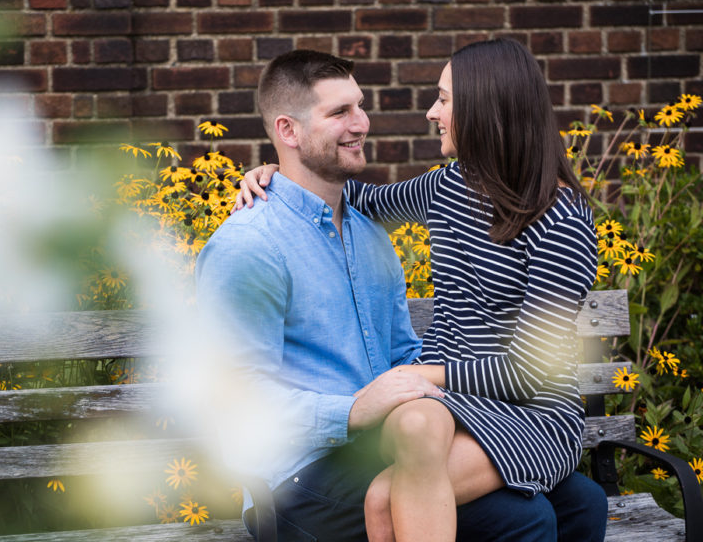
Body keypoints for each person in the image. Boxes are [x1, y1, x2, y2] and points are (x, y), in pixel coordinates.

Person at [233, 40, 608, 541]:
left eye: (445, 100)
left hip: (531, 408)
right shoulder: (449, 186)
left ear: (486, 108)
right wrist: (277, 171)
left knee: (388, 497)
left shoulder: (560, 219)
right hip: (448, 404)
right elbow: (356, 195)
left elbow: (531, 370)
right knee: (414, 429)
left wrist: (415, 375)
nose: (433, 112)